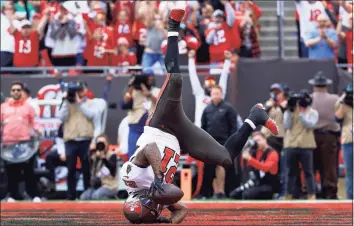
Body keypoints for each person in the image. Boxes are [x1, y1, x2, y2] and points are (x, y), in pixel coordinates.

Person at [121, 3, 278, 224]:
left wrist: (157, 178)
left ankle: (173, 27)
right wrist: (165, 220)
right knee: (224, 158)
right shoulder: (158, 202)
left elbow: (149, 148)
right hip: (180, 138)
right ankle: (255, 117)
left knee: (175, 79)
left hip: (161, 124)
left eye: (151, 205)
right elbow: (181, 210)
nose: (154, 205)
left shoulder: (132, 179)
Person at [1, 81, 41, 202]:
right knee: (11, 172)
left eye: (18, 90)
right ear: (10, 92)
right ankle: (13, 195)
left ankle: (33, 195)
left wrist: (38, 131)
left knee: (29, 171)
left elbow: (34, 122)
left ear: (22, 92)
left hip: (25, 143)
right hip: (8, 144)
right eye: (14, 90)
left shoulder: (28, 107)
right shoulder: (3, 107)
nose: (16, 92)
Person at [58, 81, 99, 200]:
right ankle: (70, 195)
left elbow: (92, 115)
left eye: (81, 90)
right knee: (71, 169)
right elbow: (61, 118)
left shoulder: (91, 102)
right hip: (70, 140)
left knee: (86, 168)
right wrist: (67, 101)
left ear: (86, 91)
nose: (79, 92)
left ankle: (86, 194)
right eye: (77, 91)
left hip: (85, 139)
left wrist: (79, 104)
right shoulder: (66, 102)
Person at [200, 85, 237, 199]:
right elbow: (203, 127)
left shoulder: (228, 108)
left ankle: (221, 192)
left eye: (217, 93)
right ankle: (213, 192)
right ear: (210, 95)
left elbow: (233, 126)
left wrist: (231, 141)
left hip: (224, 141)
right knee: (210, 168)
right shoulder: (207, 109)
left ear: (222, 94)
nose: (215, 96)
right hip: (210, 142)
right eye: (213, 93)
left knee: (220, 166)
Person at [309, 72, 340, 199]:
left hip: (312, 136)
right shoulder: (335, 99)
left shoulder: (309, 99)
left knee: (312, 165)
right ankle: (330, 191)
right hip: (329, 136)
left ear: (314, 86)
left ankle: (311, 190)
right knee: (330, 165)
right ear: (326, 86)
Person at [283, 90, 318, 200]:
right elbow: (287, 125)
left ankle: (311, 194)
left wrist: (301, 114)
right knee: (290, 172)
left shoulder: (313, 112)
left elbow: (309, 125)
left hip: (306, 145)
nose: (299, 104)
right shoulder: (289, 112)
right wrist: (289, 110)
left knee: (308, 171)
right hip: (291, 145)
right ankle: (288, 194)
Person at [229, 131, 279, 200]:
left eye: (258, 140)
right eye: (255, 141)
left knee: (247, 194)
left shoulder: (273, 153)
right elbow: (245, 167)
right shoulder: (255, 152)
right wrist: (246, 151)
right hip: (256, 183)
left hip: (269, 185)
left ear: (265, 139)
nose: (256, 143)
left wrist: (250, 159)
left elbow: (266, 168)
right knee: (234, 194)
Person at [80, 134, 118, 200]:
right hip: (96, 186)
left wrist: (103, 157)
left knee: (96, 196)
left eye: (103, 143)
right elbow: (85, 163)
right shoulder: (95, 155)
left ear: (107, 144)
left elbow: (112, 171)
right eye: (99, 143)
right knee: (84, 197)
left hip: (109, 186)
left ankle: (111, 199)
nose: (101, 145)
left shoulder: (112, 155)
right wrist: (89, 150)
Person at [335, 85, 353, 199]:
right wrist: (344, 100)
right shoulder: (342, 103)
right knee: (350, 171)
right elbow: (337, 118)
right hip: (348, 140)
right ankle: (350, 195)